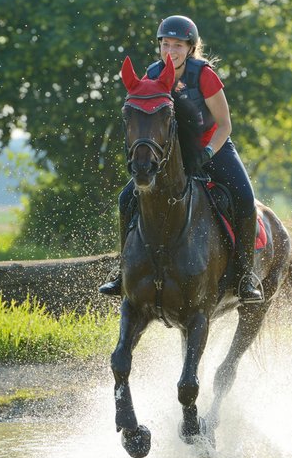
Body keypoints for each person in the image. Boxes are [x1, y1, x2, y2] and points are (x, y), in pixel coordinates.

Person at [99, 15, 262, 303]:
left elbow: (225, 125)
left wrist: (208, 153)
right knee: (126, 199)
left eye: (177, 45)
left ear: (190, 48)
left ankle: (245, 275)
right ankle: (123, 270)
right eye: (165, 44)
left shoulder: (204, 75)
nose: (170, 51)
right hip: (171, 155)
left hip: (213, 147)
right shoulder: (152, 74)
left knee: (245, 198)